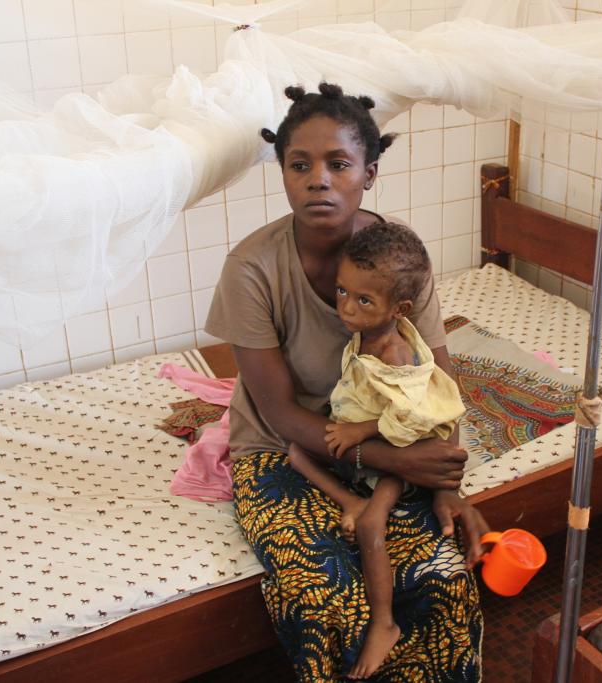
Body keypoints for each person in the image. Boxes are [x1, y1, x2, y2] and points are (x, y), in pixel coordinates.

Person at [204, 82, 488, 681]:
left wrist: (446, 483)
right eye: (299, 164)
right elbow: (279, 413)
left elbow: (438, 377)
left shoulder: (399, 257)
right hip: (285, 450)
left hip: (385, 450)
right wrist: (394, 459)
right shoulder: (251, 269)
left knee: (444, 580)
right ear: (282, 174)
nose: (318, 180)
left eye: (338, 164)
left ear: (369, 172)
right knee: (324, 593)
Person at [287, 221, 467, 679]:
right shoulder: (370, 330)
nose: (346, 307)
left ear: (399, 309)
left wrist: (362, 430)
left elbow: (415, 419)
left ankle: (384, 623)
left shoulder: (393, 352)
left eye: (363, 300)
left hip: (399, 454)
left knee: (372, 528)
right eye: (343, 291)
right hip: (369, 438)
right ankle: (349, 498)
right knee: (295, 450)